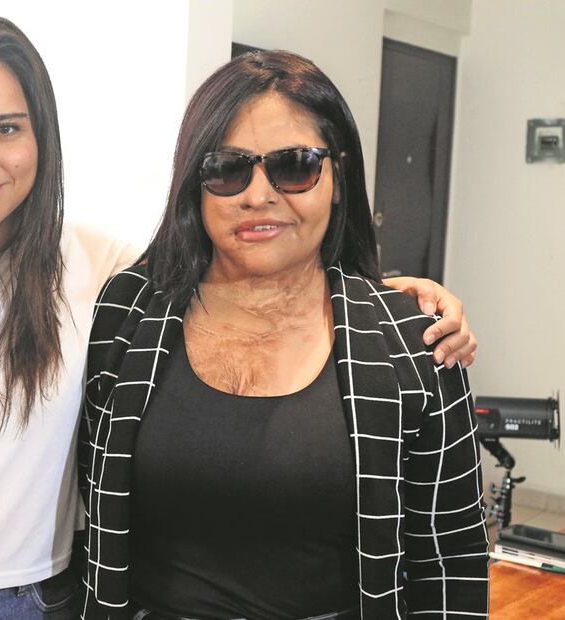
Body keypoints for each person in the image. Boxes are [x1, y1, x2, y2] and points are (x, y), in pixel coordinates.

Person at [0, 17, 478, 620]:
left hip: (41, 601)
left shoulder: (93, 269)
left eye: (5, 128)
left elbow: (256, 255)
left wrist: (395, 298)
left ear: (42, 138)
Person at [78, 51, 489, 620]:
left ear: (338, 177)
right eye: (228, 169)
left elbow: (451, 560)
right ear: (195, 184)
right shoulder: (129, 311)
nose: (258, 195)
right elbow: (89, 519)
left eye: (294, 166)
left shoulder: (413, 339)